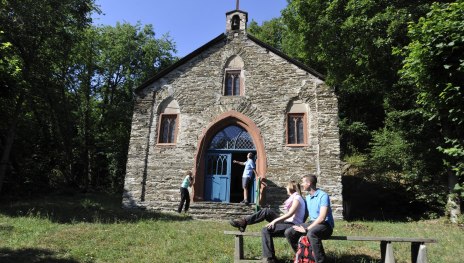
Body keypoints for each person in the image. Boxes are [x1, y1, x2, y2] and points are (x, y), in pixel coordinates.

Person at [229, 181, 306, 263]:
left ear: (290, 188)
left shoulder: (297, 198)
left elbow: (290, 215)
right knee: (266, 211)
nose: (286, 189)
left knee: (265, 230)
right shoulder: (294, 198)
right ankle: (244, 222)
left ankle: (270, 258)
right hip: (287, 222)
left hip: (292, 225)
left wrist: (274, 221)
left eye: (287, 187)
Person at [284, 175, 334, 263]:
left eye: (303, 182)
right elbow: (306, 214)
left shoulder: (323, 196)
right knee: (289, 232)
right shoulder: (308, 198)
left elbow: (322, 218)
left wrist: (307, 229)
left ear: (309, 183)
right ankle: (303, 257)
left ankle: (320, 261)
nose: (302, 184)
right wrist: (299, 225)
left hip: (325, 225)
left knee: (311, 233)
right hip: (312, 223)